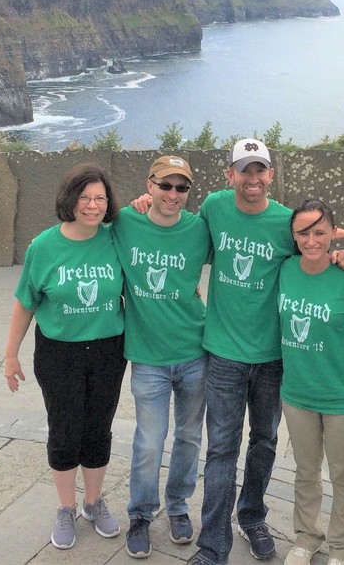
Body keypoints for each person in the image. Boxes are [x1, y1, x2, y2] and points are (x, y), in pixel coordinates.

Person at [188, 139, 344, 565]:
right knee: (222, 448)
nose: (253, 178)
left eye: (260, 169)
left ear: (271, 175)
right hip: (224, 353)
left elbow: (316, 241)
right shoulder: (213, 207)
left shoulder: (286, 221)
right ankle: (213, 547)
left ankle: (252, 516)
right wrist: (144, 203)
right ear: (229, 175)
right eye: (244, 170)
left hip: (273, 358)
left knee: (264, 442)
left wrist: (343, 252)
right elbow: (180, 230)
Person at [3, 162, 126, 550]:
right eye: (85, 197)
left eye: (100, 198)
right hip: (59, 353)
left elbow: (155, 220)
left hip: (109, 349)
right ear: (69, 200)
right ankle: (65, 506)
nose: (92, 205)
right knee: (64, 428)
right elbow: (25, 302)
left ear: (109, 203)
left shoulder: (116, 237)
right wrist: (10, 356)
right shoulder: (44, 246)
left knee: (98, 427)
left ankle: (93, 501)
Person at [111, 155, 212, 558]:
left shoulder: (200, 230)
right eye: (165, 185)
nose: (173, 194)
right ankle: (140, 514)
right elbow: (80, 228)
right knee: (150, 441)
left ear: (189, 193)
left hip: (194, 351)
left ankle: (178, 506)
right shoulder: (124, 221)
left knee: (189, 437)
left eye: (181, 187)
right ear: (149, 185)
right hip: (149, 357)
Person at [279, 199, 344, 565]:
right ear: (293, 236)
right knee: (306, 470)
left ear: (333, 233)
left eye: (319, 232)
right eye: (303, 232)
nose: (311, 240)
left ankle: (343, 548)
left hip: (342, 394)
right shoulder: (284, 270)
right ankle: (307, 535)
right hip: (297, 392)